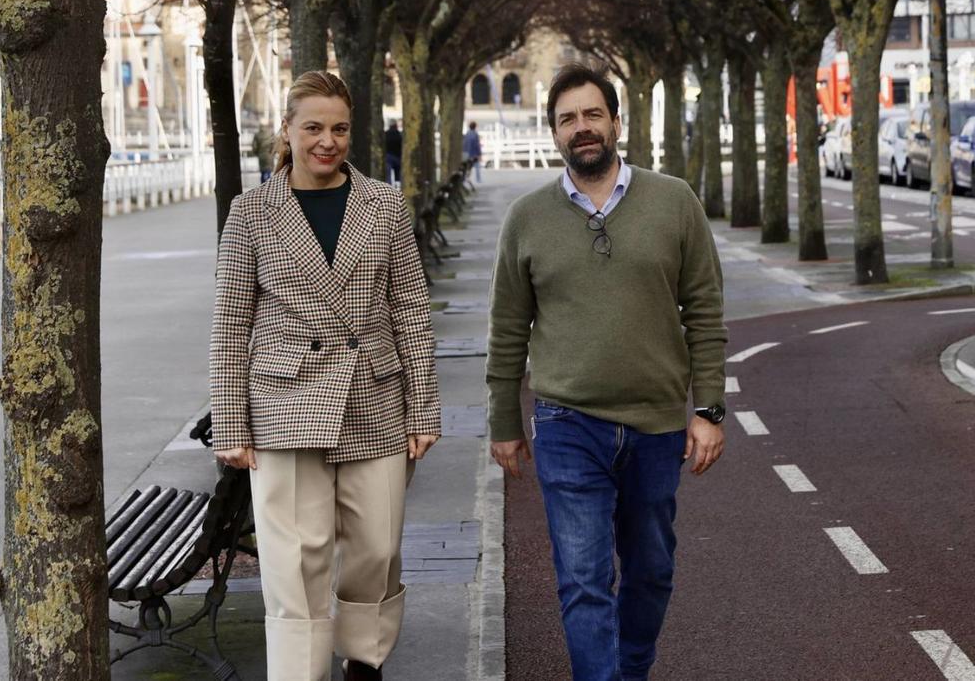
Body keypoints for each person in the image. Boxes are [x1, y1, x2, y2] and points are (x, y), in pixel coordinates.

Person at [486, 63, 728, 681]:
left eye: (593, 114)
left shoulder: (674, 202)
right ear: (554, 134)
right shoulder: (526, 218)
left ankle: (633, 669)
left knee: (651, 571)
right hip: (567, 424)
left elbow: (704, 310)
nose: (582, 127)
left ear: (617, 122)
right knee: (583, 580)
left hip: (656, 425)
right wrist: (504, 421)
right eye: (567, 119)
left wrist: (708, 408)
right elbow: (508, 329)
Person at [210, 71, 441, 681]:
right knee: (295, 563)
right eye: (313, 127)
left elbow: (411, 310)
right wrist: (231, 425)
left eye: (339, 128)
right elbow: (230, 325)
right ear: (287, 130)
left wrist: (424, 408)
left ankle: (365, 660)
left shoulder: (383, 204)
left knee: (378, 548)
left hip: (374, 397)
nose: (327, 141)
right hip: (284, 403)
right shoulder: (251, 212)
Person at [383, 119, 402, 185]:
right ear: (395, 125)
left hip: (388, 157)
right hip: (397, 157)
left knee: (388, 175)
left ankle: (388, 186)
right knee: (398, 174)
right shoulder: (399, 134)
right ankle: (398, 184)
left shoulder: (385, 134)